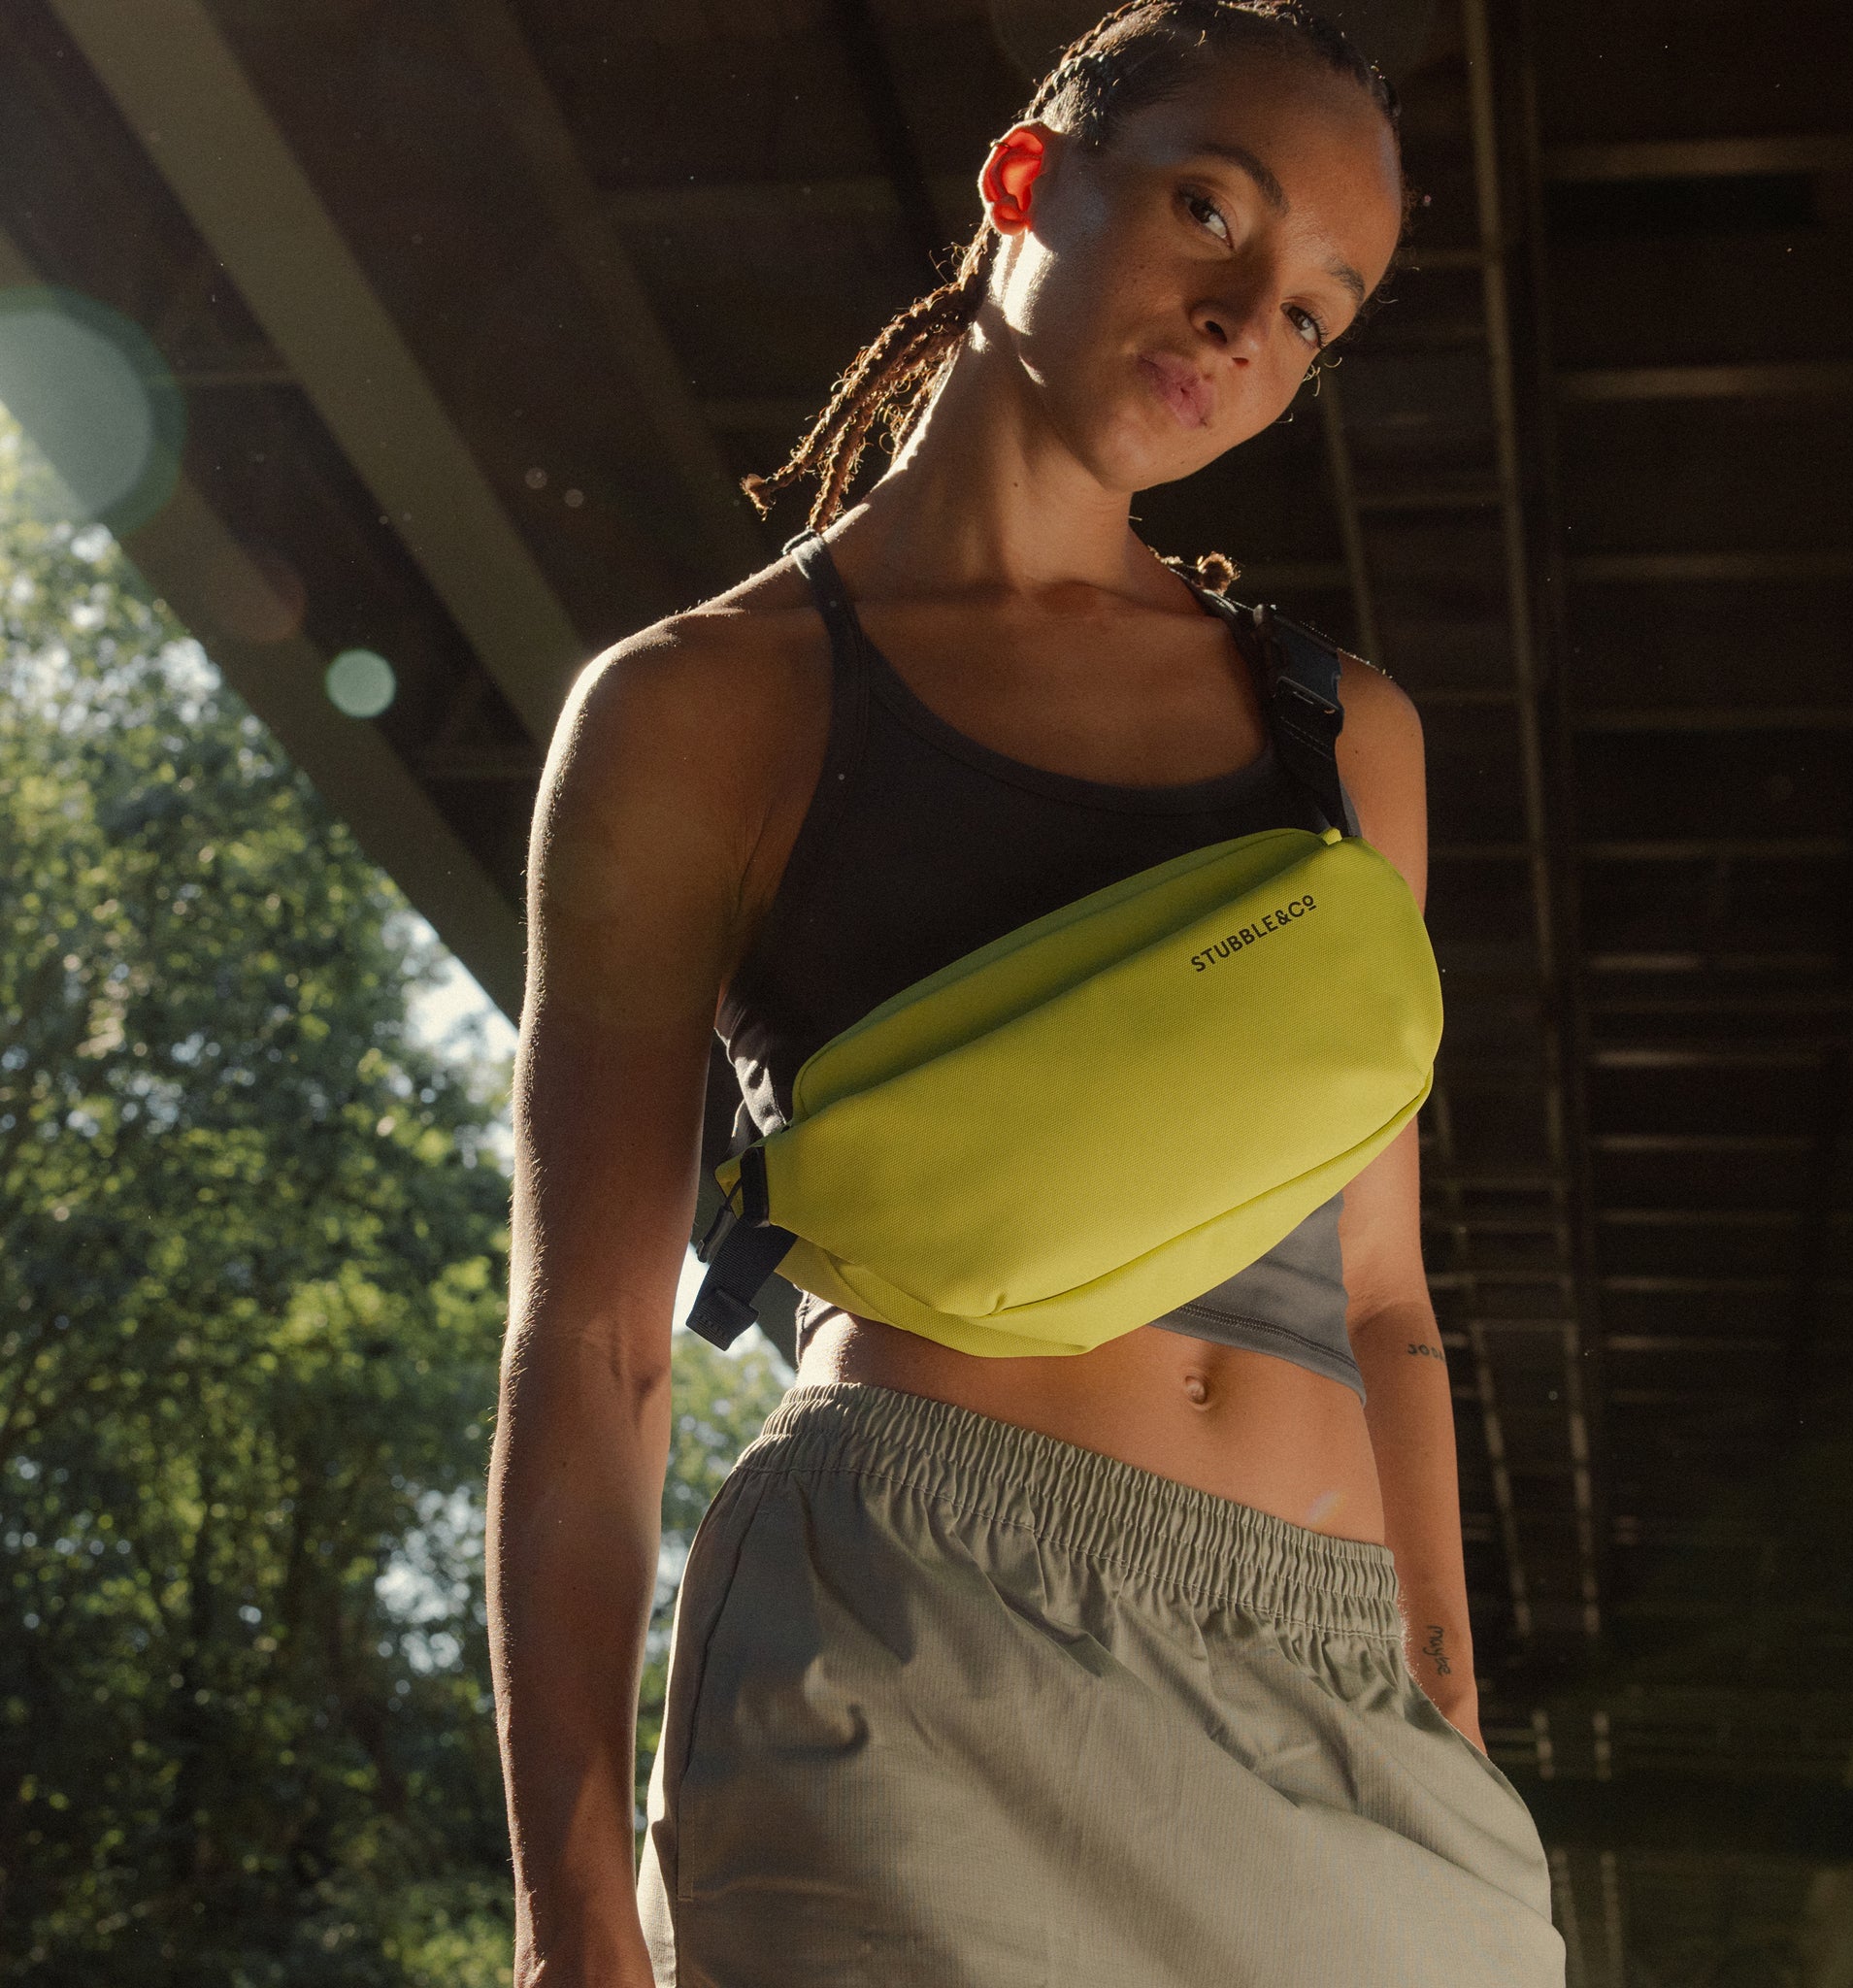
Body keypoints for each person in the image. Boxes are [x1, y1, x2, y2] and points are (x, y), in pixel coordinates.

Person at [486, 4, 1564, 1983]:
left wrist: (1442, 1723)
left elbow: (1389, 1299)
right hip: (909, 1637)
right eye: (1207, 211)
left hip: (1326, 1694)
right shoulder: (699, 705)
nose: (1250, 321)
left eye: (1317, 311)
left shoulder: (1347, 732)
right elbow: (596, 1349)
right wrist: (572, 1928)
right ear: (1020, 180)